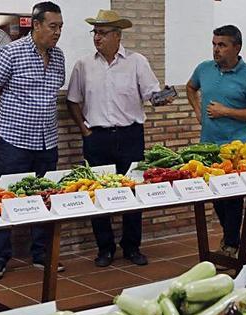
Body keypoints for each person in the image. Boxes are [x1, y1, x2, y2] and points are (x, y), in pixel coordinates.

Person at [67, 10, 167, 267]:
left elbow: (152, 94)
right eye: (95, 32)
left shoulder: (137, 62)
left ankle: (132, 247)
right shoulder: (83, 65)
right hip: (97, 138)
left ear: (117, 36)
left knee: (134, 191)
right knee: (98, 192)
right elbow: (73, 101)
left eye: (102, 33)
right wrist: (84, 129)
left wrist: (162, 97)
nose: (97, 38)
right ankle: (105, 248)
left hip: (130, 135)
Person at [0, 1, 66, 280]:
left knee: (44, 197)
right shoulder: (10, 53)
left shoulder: (59, 57)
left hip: (47, 141)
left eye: (60, 27)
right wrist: (11, 118)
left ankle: (41, 254)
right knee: (6, 197)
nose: (57, 33)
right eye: (52, 26)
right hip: (14, 140)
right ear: (36, 24)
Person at [186, 25, 246, 260]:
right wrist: (198, 111)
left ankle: (231, 243)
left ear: (237, 47)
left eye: (222, 45)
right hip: (208, 146)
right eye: (214, 44)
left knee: (232, 198)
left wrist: (225, 111)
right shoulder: (204, 69)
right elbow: (191, 88)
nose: (216, 49)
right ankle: (231, 238)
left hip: (237, 149)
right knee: (216, 196)